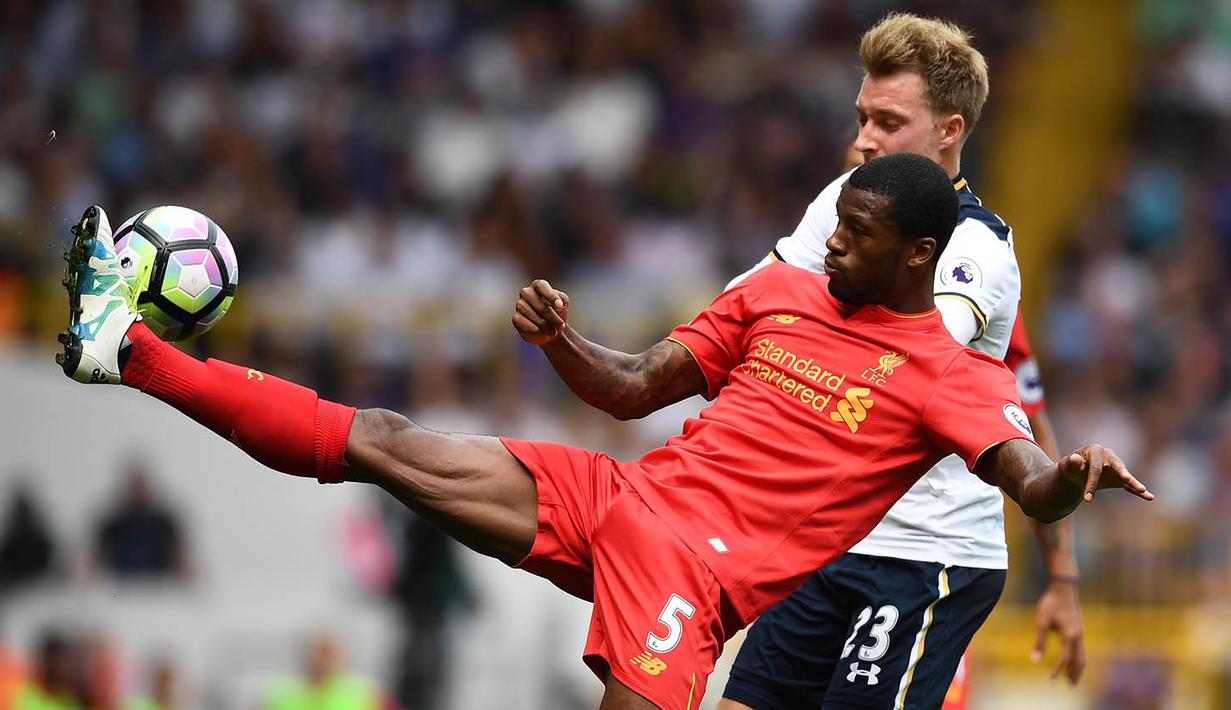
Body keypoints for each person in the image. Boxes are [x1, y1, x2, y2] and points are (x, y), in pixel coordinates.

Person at [55, 153, 1151, 709]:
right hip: (624, 500)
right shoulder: (777, 291)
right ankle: (130, 351)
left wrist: (1072, 477)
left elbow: (1023, 477)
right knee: (385, 439)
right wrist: (565, 344)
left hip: (695, 568)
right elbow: (633, 387)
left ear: (916, 255)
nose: (829, 249)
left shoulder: (945, 372)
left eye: (856, 237)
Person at [702, 14, 1083, 709]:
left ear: (949, 130)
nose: (861, 140)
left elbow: (918, 371)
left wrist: (1061, 579)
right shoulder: (843, 205)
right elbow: (741, 305)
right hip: (824, 531)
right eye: (860, 117)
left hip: (926, 551)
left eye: (886, 121)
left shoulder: (979, 254)